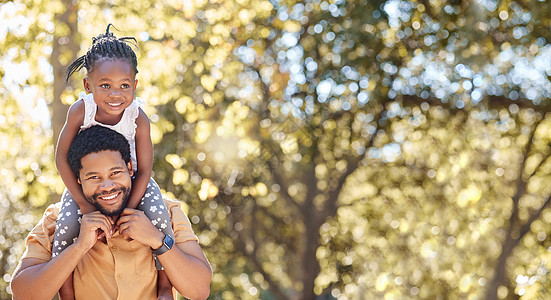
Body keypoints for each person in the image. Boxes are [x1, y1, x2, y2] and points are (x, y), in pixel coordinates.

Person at [11, 125, 212, 299]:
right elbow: (22, 295)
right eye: (94, 177)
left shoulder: (167, 212)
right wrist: (79, 247)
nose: (107, 186)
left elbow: (199, 290)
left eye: (115, 173)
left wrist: (157, 240)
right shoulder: (56, 220)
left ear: (130, 167)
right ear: (78, 179)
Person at [53, 25, 175, 297]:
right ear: (88, 85)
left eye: (124, 86)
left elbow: (144, 170)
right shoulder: (80, 111)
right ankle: (67, 293)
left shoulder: (138, 117)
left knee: (158, 214)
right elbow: (61, 159)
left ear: (134, 85)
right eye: (105, 85)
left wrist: (129, 211)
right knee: (66, 226)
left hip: (131, 182)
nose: (115, 94)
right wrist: (83, 204)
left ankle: (165, 284)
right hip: (89, 184)